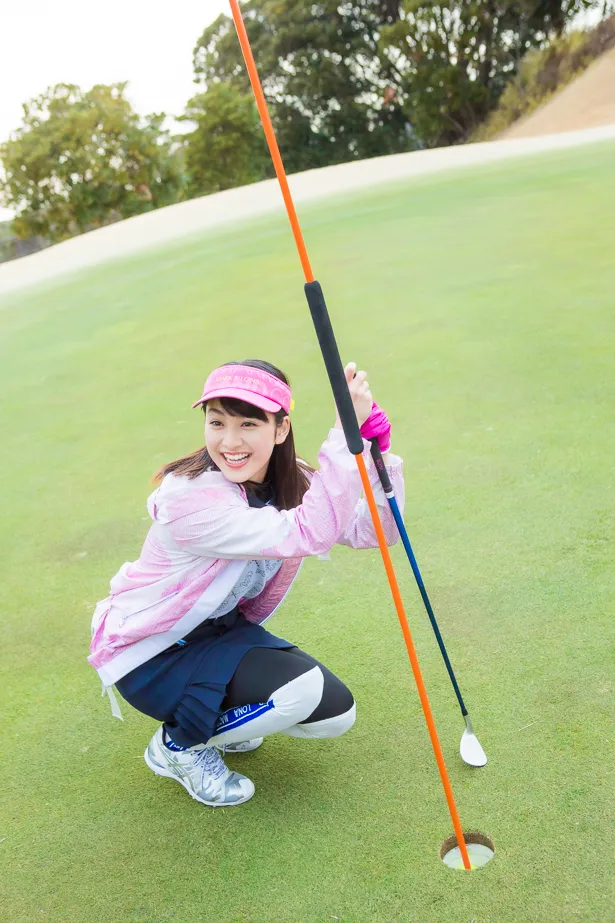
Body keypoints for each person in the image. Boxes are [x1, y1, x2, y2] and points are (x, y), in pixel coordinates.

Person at [89, 359, 404, 807]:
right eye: (216, 422)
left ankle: (222, 724)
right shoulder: (190, 500)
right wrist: (341, 434)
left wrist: (376, 450)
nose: (229, 441)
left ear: (280, 429)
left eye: (249, 424)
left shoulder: (289, 478)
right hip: (152, 651)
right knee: (300, 691)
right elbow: (309, 532)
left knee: (336, 715)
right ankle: (177, 748)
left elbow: (377, 530)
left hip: (218, 635)